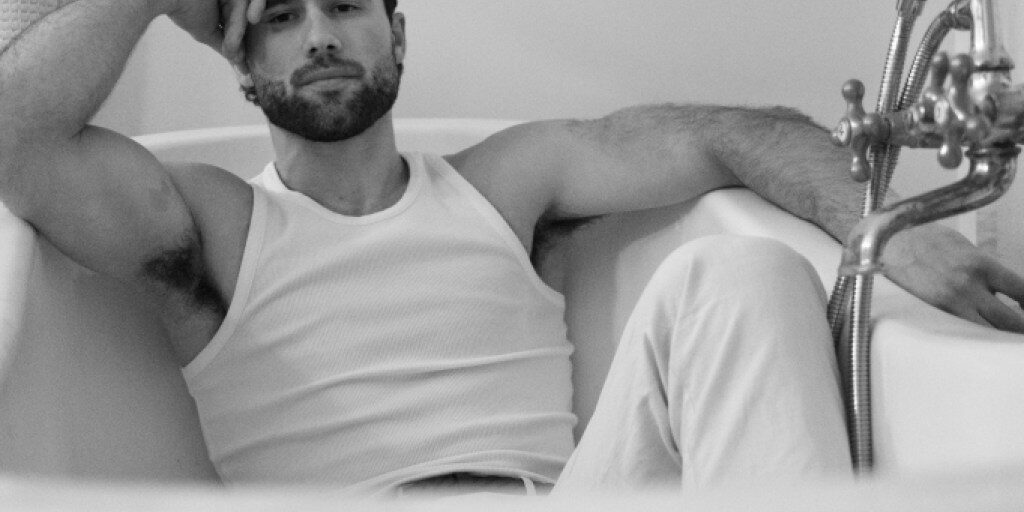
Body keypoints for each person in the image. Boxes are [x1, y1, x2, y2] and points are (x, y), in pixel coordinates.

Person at [2, 0, 1023, 497]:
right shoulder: (218, 226)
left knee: (742, 270)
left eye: (346, 6)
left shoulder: (506, 182)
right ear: (239, 63)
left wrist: (885, 235)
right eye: (280, 17)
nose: (318, 36)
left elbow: (729, 134)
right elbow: (14, 138)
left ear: (399, 36)